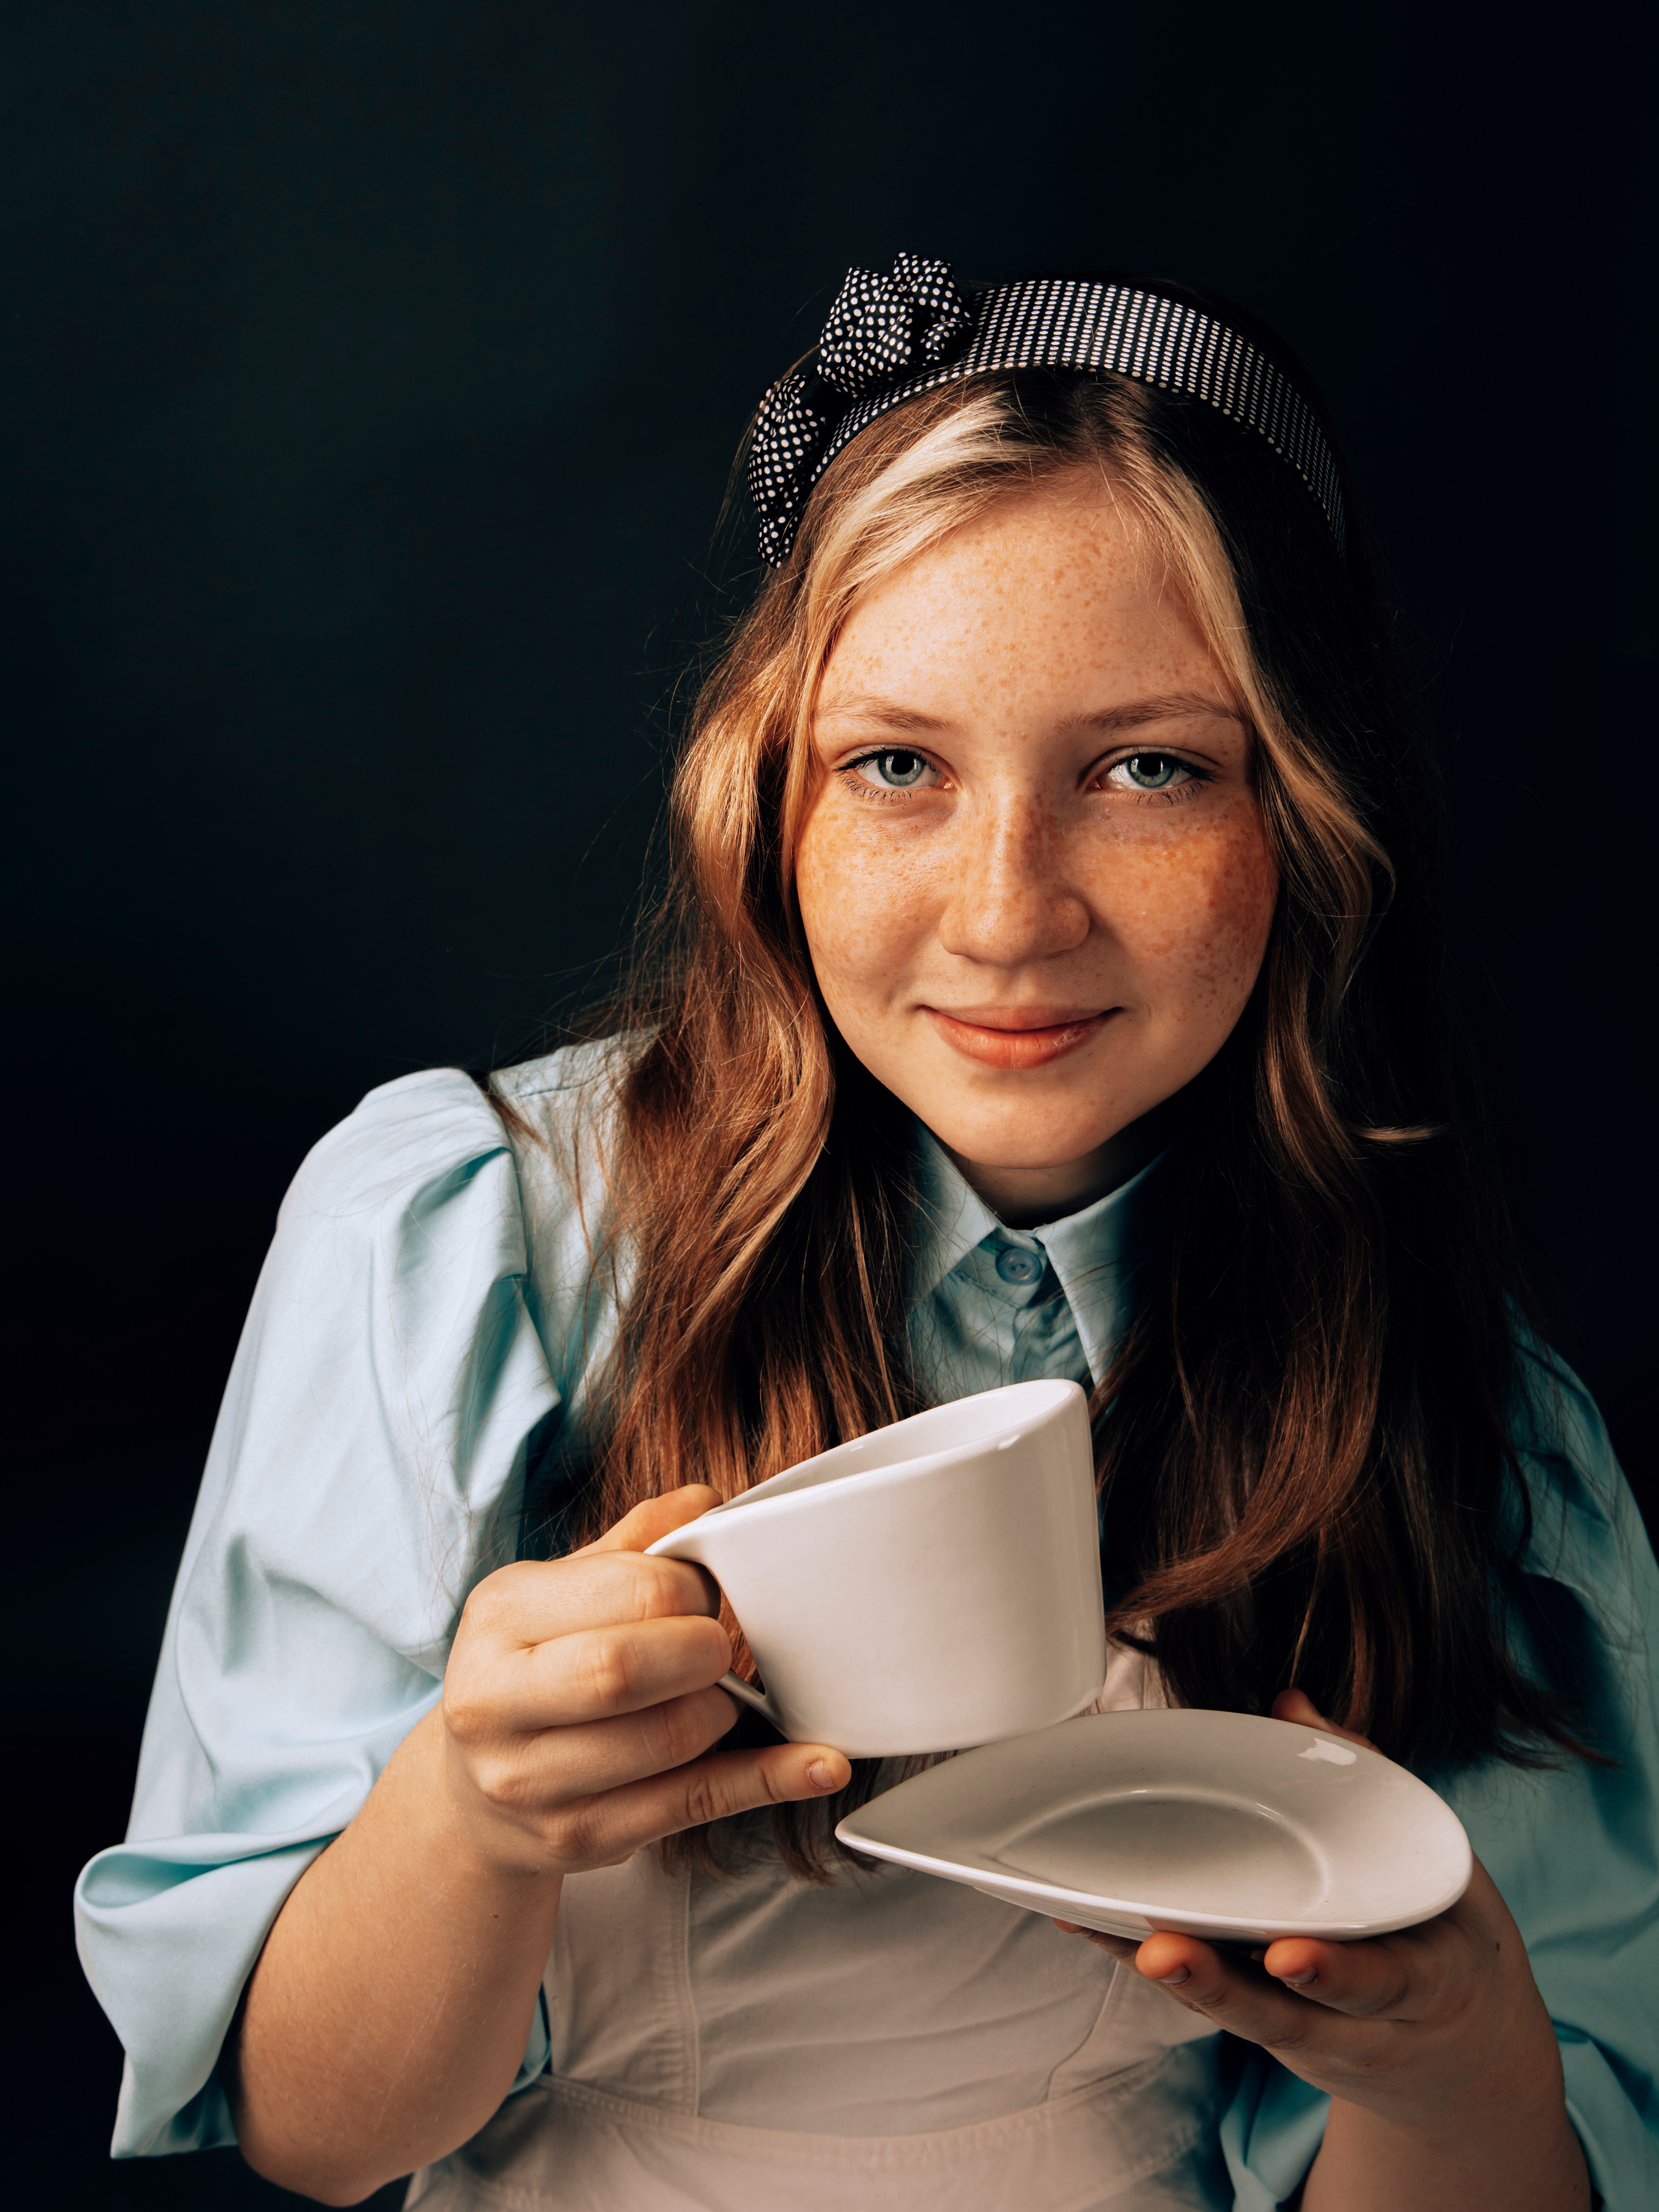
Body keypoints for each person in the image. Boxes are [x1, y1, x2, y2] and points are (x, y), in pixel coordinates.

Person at [76, 257, 1658, 2211]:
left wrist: (1461, 2070)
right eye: (898, 765)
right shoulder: (471, 1251)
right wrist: (470, 1819)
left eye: (1148, 770)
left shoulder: (1461, 1429)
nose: (1009, 914)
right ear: (771, 794)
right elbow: (315, 2135)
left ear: (1308, 816)